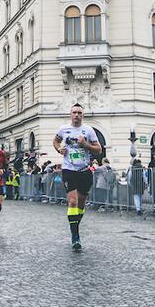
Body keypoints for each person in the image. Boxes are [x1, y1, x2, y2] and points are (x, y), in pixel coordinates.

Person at [52, 104, 103, 251]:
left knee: (81, 204)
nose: (76, 115)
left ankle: (75, 225)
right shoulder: (63, 129)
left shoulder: (89, 130)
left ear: (83, 115)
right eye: (74, 112)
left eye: (79, 113)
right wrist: (58, 149)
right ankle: (75, 236)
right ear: (70, 114)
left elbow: (99, 150)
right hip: (69, 170)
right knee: (72, 202)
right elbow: (55, 141)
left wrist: (85, 144)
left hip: (84, 170)